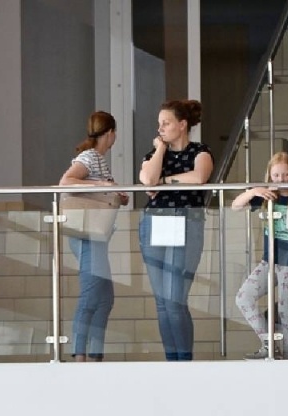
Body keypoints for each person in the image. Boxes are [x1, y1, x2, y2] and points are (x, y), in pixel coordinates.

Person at [138, 99, 211, 362]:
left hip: (185, 221)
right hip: (155, 221)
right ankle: (172, 362)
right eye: (159, 124)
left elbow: (199, 177)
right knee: (161, 301)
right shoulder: (155, 154)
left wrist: (165, 181)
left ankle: (184, 363)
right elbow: (147, 180)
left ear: (182, 125)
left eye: (166, 123)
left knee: (174, 299)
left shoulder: (199, 151)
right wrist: (160, 149)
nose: (161, 128)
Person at [232, 153, 288, 360]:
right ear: (270, 175)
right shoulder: (267, 196)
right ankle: (269, 345)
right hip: (269, 260)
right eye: (276, 175)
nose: (281, 179)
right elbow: (236, 206)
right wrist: (253, 191)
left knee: (287, 311)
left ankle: (287, 359)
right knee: (244, 297)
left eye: (285, 174)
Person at [58, 111, 127, 362]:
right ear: (110, 133)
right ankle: (80, 355)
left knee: (105, 298)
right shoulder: (89, 157)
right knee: (91, 293)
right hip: (86, 234)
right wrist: (104, 186)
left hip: (96, 235)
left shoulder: (98, 159)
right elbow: (66, 181)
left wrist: (116, 195)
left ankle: (95, 355)